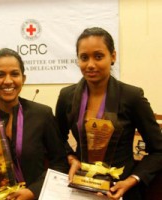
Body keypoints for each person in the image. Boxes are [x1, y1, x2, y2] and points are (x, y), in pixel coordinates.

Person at [55, 27, 162, 200]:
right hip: (80, 188)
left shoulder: (131, 96)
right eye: (84, 57)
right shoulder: (67, 96)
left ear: (113, 56)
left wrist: (131, 181)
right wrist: (71, 158)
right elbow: (56, 139)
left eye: (98, 56)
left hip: (121, 190)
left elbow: (158, 150)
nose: (90, 64)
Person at [0, 48, 68, 200]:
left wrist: (33, 191)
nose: (8, 81)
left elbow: (60, 164)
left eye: (14, 74)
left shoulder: (42, 115)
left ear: (23, 78)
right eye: (0, 74)